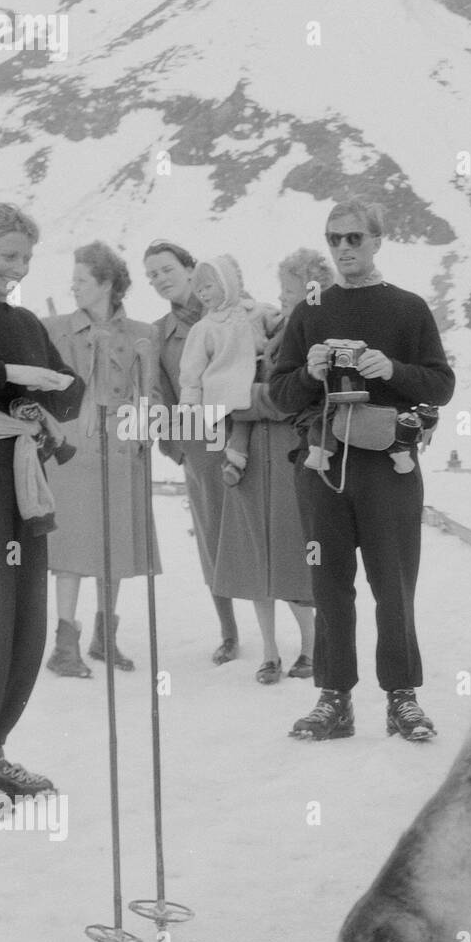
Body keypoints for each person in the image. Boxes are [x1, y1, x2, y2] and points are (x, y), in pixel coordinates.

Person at [267, 198, 454, 741]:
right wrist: (310, 370)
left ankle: (402, 698)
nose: (344, 248)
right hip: (323, 465)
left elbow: (440, 384)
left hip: (388, 466)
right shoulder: (309, 309)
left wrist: (392, 368)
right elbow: (280, 395)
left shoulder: (408, 309)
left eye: (354, 238)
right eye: (335, 239)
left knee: (393, 583)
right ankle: (334, 699)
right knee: (328, 582)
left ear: (377, 240)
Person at [0, 202, 84, 810]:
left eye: (25, 259)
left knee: (25, 616)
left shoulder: (24, 321)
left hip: (23, 472)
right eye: (7, 256)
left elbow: (66, 386)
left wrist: (64, 387)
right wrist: (11, 374)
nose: (17, 269)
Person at [43, 242, 159, 676]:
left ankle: (103, 639)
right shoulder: (52, 327)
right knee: (72, 546)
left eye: (82, 281)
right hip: (74, 449)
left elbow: (152, 394)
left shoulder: (143, 333)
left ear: (107, 283)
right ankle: (63, 646)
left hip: (123, 448)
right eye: (72, 280)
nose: (73, 287)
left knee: (115, 545)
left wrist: (146, 429)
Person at [212, 250, 328, 684]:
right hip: (253, 457)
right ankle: (270, 652)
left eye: (289, 292)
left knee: (289, 557)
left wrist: (242, 402)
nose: (281, 300)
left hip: (286, 453)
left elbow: (289, 399)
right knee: (257, 556)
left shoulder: (316, 336)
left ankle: (312, 647)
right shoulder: (276, 328)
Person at [143, 239, 241, 663]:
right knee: (213, 539)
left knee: (263, 530)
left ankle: (303, 634)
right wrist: (179, 450)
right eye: (152, 275)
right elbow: (160, 397)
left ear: (189, 268)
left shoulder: (228, 309)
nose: (159, 279)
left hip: (245, 435)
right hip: (200, 449)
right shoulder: (158, 335)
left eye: (166, 269)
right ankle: (229, 631)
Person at [177, 254, 278, 489]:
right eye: (198, 290)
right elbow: (192, 366)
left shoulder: (255, 311)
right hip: (225, 382)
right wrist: (190, 397)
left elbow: (282, 324)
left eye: (208, 287)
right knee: (238, 411)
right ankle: (234, 457)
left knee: (255, 401)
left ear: (227, 283)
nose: (203, 294)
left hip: (258, 372)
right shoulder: (204, 328)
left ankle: (236, 458)